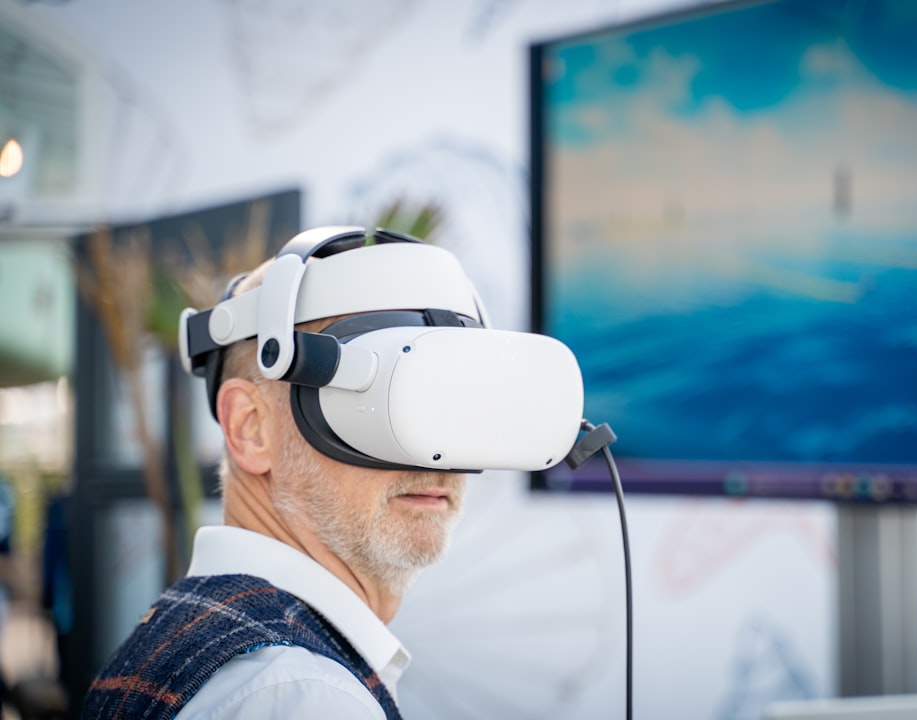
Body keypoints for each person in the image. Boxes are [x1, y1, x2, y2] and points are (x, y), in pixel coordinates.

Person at [81, 227, 584, 719]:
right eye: (387, 398)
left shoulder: (186, 636)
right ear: (251, 427)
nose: (435, 456)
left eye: (453, 400)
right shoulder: (300, 694)